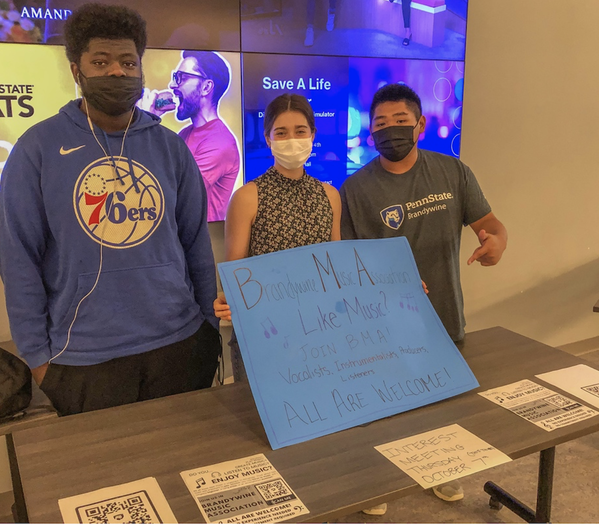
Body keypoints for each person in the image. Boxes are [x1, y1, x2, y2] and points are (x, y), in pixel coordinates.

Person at [0, 3, 221, 417]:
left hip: (181, 345)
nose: (116, 72)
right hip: (82, 361)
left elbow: (195, 243)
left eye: (126, 61)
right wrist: (38, 360)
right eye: (100, 61)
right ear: (76, 71)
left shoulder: (170, 148)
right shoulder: (37, 149)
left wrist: (208, 324)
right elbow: (18, 259)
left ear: (139, 67)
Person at [340, 83, 508, 513]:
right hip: (383, 322)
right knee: (385, 404)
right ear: (369, 130)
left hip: (443, 314)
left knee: (441, 401)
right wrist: (389, 282)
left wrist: (495, 244)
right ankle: (379, 482)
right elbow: (348, 262)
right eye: (380, 123)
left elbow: (491, 225)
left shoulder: (453, 173)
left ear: (421, 125)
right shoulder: (354, 189)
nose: (390, 130)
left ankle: (441, 468)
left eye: (400, 121)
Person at [212, 93, 341, 379]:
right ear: (268, 139)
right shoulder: (247, 197)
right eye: (281, 133)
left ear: (312, 135)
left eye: (300, 131)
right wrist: (227, 299)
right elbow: (235, 273)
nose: (291, 139)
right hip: (263, 333)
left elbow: (336, 267)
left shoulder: (330, 196)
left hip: (319, 329)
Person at [140, 50, 240, 222]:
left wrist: (144, 124)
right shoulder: (186, 133)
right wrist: (149, 121)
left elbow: (169, 192)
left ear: (206, 87)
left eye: (182, 77)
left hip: (199, 241)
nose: (172, 85)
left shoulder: (219, 143)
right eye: (174, 77)